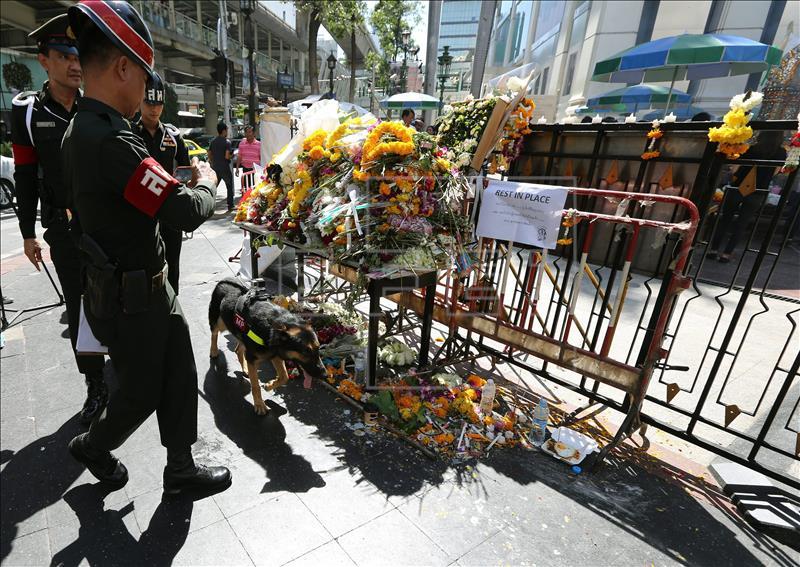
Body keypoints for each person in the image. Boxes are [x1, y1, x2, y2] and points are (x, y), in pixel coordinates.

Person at [62, 0, 230, 495]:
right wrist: (209, 183)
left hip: (145, 286)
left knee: (179, 369)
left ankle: (180, 468)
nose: (147, 91)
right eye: (144, 75)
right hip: (130, 296)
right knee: (138, 395)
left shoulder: (86, 128)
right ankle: (92, 445)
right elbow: (181, 210)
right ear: (121, 67)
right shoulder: (110, 141)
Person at [10, 13, 107, 425]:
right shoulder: (28, 113)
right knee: (80, 305)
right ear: (43, 60)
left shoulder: (98, 107)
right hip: (64, 232)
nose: (74, 64)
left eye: (78, 56)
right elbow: (25, 174)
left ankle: (125, 363)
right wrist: (28, 234)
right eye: (64, 55)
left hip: (105, 225)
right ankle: (95, 384)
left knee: (118, 296)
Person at [134, 71, 189, 294]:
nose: (153, 108)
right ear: (139, 100)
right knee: (144, 268)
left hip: (169, 215)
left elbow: (184, 173)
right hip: (139, 216)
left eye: (158, 102)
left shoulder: (174, 137)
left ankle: (171, 308)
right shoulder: (128, 134)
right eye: (148, 101)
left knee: (172, 267)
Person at [709, 130, 786, 262]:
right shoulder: (781, 153)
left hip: (737, 187)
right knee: (742, 223)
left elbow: (736, 168)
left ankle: (713, 250)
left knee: (725, 219)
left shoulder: (750, 149)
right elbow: (775, 171)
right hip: (758, 190)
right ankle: (726, 254)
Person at [210, 121, 234, 211]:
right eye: (227, 130)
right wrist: (232, 156)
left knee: (213, 187)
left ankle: (209, 205)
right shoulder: (227, 142)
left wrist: (212, 161)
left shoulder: (213, 141)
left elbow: (209, 154)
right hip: (224, 167)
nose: (227, 132)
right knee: (229, 186)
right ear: (223, 131)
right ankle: (230, 205)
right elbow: (227, 156)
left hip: (215, 167)